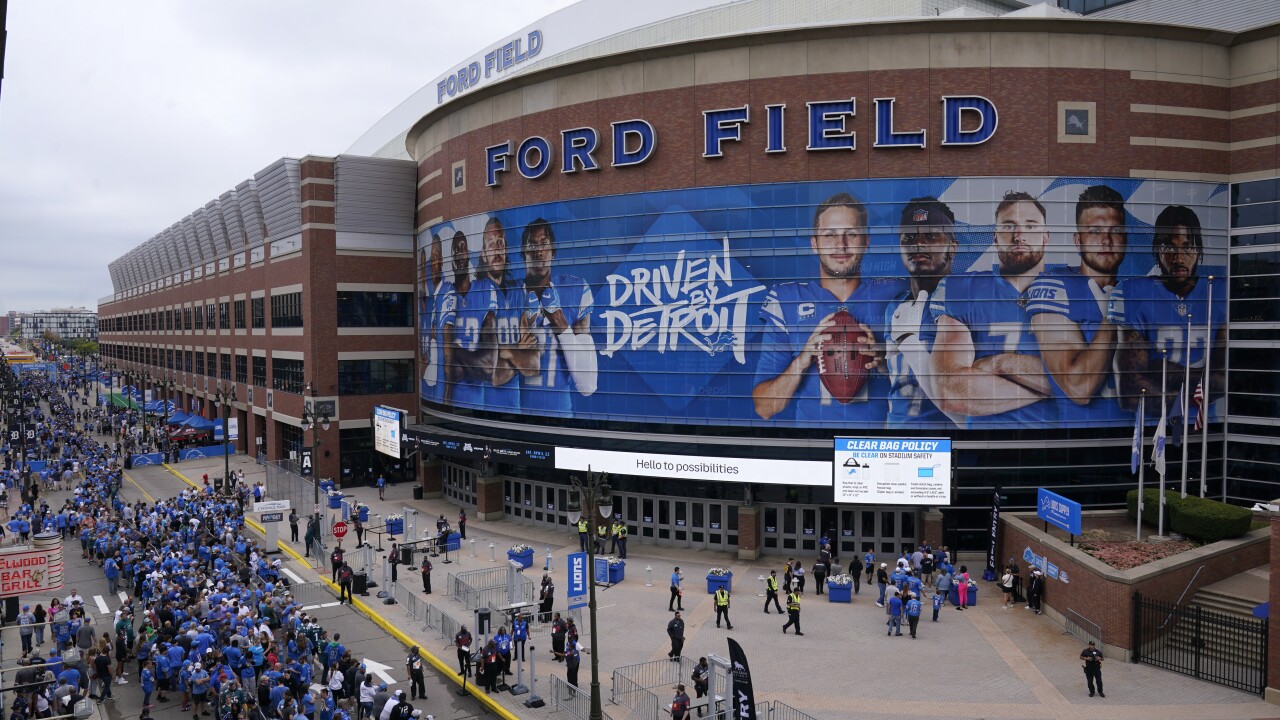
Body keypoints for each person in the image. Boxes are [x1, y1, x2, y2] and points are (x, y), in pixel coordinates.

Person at [753, 192, 897, 424]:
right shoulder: (788, 300)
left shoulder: (895, 295)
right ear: (814, 243)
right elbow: (764, 407)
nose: (841, 245)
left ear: (866, 241)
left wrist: (886, 363)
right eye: (829, 235)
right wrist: (803, 359)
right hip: (814, 445)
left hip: (878, 445)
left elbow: (929, 388)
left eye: (851, 234)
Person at [927, 191, 1055, 426]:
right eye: (1009, 227)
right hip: (985, 446)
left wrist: (998, 364)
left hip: (1063, 443)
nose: (1019, 236)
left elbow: (1091, 378)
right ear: (995, 237)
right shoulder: (962, 289)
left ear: (1046, 237)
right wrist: (1060, 387)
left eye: (1031, 226)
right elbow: (949, 390)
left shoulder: (1075, 289)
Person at [1026, 185, 1129, 425]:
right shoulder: (1056, 286)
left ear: (1125, 237)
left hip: (1140, 434)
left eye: (1115, 230)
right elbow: (1079, 387)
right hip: (1080, 438)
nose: (1106, 240)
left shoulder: (1137, 289)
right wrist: (1111, 315)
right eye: (1095, 230)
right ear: (1077, 239)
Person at [1111, 204, 1225, 416]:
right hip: (1150, 429)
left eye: (1187, 247)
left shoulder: (1218, 292)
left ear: (1198, 250)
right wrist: (1197, 385)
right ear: (1157, 250)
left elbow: (1224, 381)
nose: (1178, 258)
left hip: (1206, 425)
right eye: (1170, 248)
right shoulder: (1134, 292)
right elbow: (1129, 391)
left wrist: (1162, 369)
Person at [885, 196, 961, 429]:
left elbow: (965, 406)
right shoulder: (894, 307)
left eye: (930, 235)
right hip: (896, 442)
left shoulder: (965, 302)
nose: (918, 243)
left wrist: (908, 342)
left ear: (952, 247)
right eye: (909, 237)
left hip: (951, 445)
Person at [512, 218, 598, 417]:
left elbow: (588, 385)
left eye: (544, 243)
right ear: (523, 252)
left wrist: (559, 321)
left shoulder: (575, 289)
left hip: (559, 415)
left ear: (553, 250)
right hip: (516, 416)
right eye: (532, 245)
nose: (538, 251)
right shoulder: (510, 293)